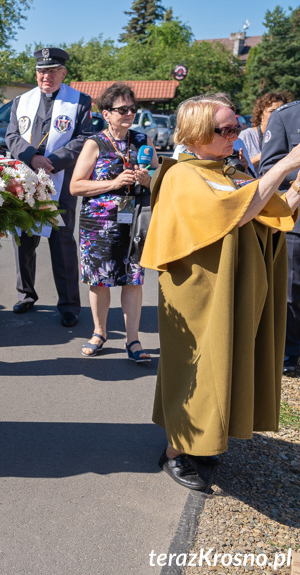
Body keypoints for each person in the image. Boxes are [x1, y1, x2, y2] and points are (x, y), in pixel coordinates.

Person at [141, 94, 300, 491]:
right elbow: (233, 211)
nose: (235, 134)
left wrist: (295, 183)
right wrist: (284, 164)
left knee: (225, 363)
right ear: (196, 134)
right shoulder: (182, 174)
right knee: (195, 368)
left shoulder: (226, 170)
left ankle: (204, 441)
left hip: (229, 288)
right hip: (197, 295)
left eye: (236, 125)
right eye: (225, 129)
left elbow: (271, 208)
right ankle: (175, 452)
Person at [6, 47, 93, 327]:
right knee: (23, 240)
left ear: (63, 73)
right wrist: (32, 157)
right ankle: (26, 294)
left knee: (62, 243)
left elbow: (84, 139)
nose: (47, 76)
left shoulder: (79, 101)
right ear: (36, 73)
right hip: (26, 177)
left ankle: (69, 305)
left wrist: (52, 161)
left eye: (53, 71)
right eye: (42, 71)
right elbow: (11, 135)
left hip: (62, 180)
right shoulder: (21, 100)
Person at [70, 82, 156, 360]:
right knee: (100, 280)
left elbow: (161, 178)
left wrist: (148, 180)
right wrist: (113, 183)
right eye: (122, 109)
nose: (129, 114)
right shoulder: (95, 142)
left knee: (133, 279)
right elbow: (76, 186)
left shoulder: (143, 140)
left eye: (132, 108)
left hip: (134, 222)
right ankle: (99, 332)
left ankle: (133, 340)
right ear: (106, 114)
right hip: (99, 222)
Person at [260, 96, 300, 376]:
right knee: (292, 294)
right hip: (296, 221)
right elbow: (268, 171)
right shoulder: (287, 116)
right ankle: (290, 354)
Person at [240, 92, 292, 174]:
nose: (278, 115)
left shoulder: (288, 136)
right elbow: (239, 168)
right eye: (272, 111)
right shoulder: (246, 136)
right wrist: (264, 155)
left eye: (282, 111)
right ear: (261, 114)